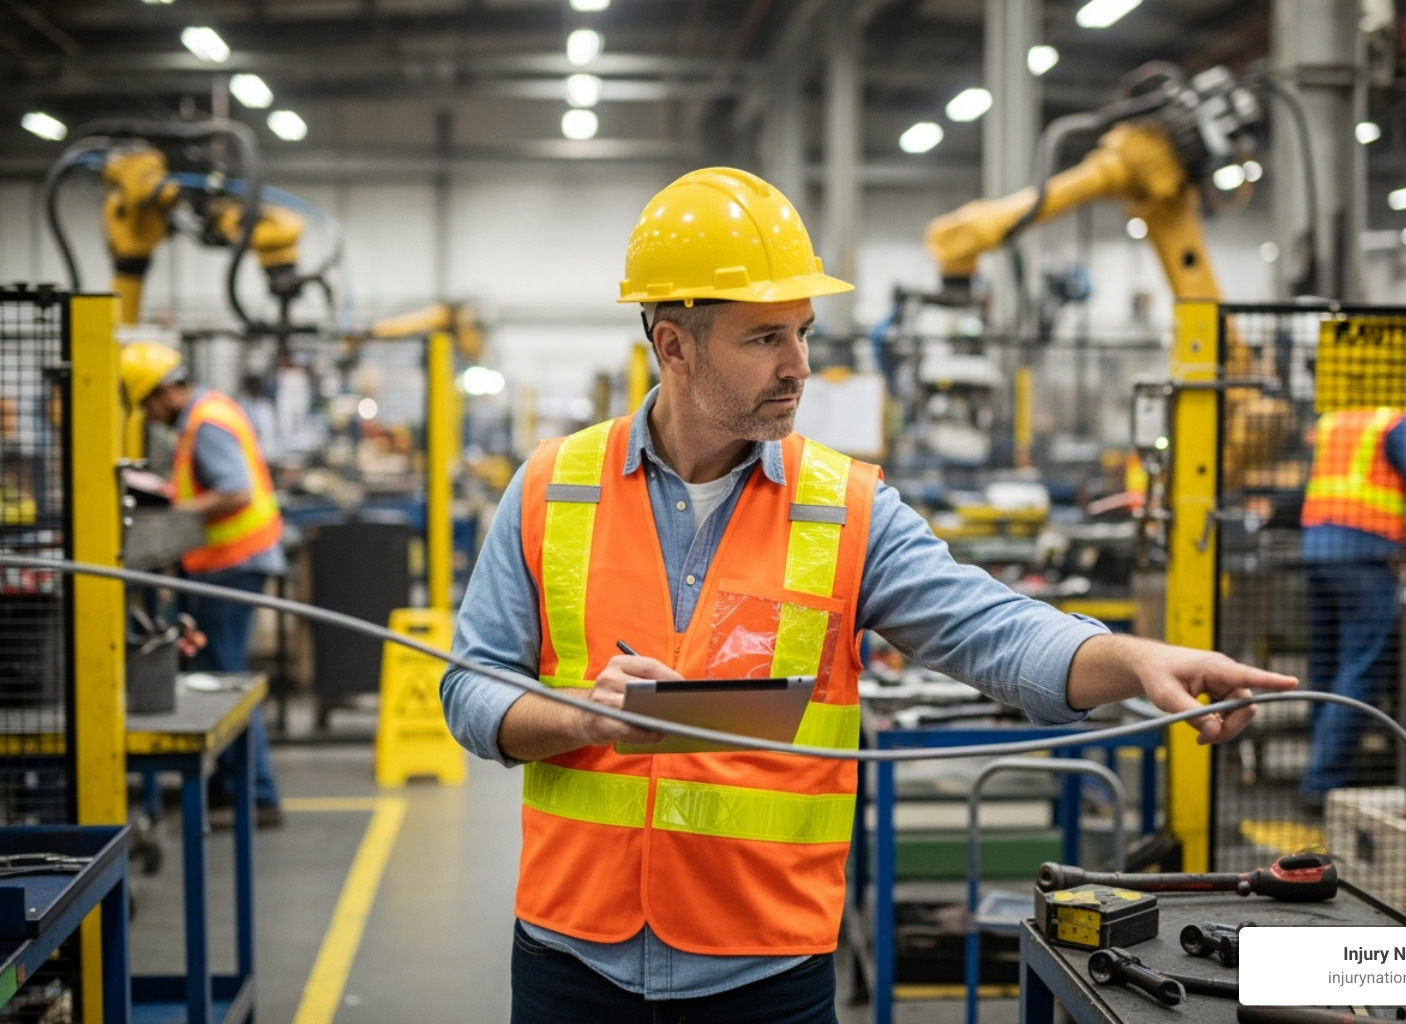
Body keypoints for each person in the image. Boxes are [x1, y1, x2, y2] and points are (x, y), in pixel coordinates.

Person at [439, 167, 1297, 1024]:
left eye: (804, 332)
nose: (800, 366)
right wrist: (583, 720)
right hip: (572, 960)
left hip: (766, 976)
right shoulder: (556, 486)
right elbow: (469, 688)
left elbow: (990, 632)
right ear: (673, 346)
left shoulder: (843, 508)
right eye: (764, 338)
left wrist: (1135, 660)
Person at [120, 341, 286, 828]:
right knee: (216, 674)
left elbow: (235, 491)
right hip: (223, 564)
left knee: (225, 682)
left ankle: (257, 796)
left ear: (165, 390)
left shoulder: (206, 421)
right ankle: (224, 789)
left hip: (232, 565)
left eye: (148, 404)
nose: (150, 417)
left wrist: (172, 513)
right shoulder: (207, 413)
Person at [1299, 406, 1406, 811]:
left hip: (1317, 552)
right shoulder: (1398, 423)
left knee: (1326, 670)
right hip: (1366, 557)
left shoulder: (1336, 420)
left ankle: (1320, 768)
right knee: (1359, 668)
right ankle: (1322, 783)